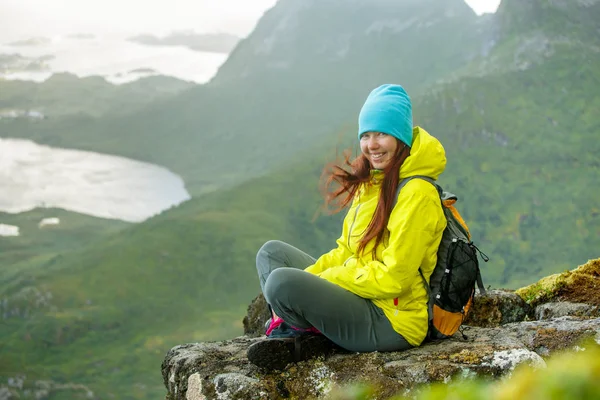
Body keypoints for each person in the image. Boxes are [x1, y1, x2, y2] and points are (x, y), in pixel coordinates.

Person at [247, 84, 447, 370]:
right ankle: (303, 332)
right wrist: (318, 275)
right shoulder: (373, 182)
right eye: (365, 135)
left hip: (392, 319)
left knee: (281, 283)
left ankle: (297, 332)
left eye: (382, 133)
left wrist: (328, 279)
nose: (372, 144)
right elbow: (346, 250)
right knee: (272, 255)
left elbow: (395, 279)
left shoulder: (417, 193)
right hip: (361, 295)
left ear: (401, 137)